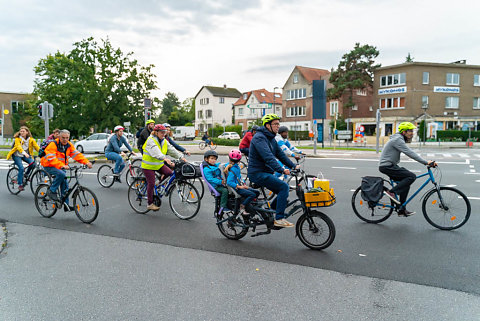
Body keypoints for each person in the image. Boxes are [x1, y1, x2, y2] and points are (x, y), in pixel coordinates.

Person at [248, 114, 298, 228]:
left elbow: (280, 155)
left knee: (283, 192)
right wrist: (281, 169)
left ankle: (269, 214)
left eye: (278, 124)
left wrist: (293, 166)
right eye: (275, 124)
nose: (278, 127)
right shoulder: (259, 138)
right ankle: (279, 218)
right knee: (283, 187)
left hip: (265, 172)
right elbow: (268, 157)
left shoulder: (271, 138)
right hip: (257, 173)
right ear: (267, 125)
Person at [379, 122, 436, 217]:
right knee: (411, 176)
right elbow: (410, 153)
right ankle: (391, 192)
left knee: (406, 184)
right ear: (404, 132)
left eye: (412, 131)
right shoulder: (397, 140)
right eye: (410, 131)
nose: (412, 133)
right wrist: (426, 162)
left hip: (391, 165)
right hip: (387, 166)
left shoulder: (399, 139)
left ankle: (401, 209)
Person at [41, 129, 92, 210]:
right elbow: (51, 158)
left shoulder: (69, 145)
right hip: (49, 165)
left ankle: (66, 205)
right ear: (59, 137)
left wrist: (86, 162)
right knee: (61, 174)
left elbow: (77, 155)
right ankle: (51, 191)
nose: (65, 140)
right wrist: (62, 165)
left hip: (60, 167)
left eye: (67, 138)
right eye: (63, 138)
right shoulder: (53, 144)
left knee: (65, 184)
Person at [141, 124, 185, 211]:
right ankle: (150, 203)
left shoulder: (164, 141)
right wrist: (165, 158)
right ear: (156, 132)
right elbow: (156, 152)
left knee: (170, 173)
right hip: (148, 166)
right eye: (161, 132)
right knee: (151, 183)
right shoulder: (151, 140)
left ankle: (159, 185)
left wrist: (180, 156)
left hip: (158, 164)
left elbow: (171, 149)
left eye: (164, 132)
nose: (163, 134)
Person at [224, 149, 259, 223]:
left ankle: (248, 204)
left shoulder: (235, 167)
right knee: (252, 194)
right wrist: (240, 186)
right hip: (236, 189)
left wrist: (243, 184)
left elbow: (239, 177)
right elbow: (229, 182)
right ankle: (242, 206)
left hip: (240, 186)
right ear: (239, 160)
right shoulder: (233, 168)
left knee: (257, 192)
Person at [6, 126, 40, 191]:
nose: (21, 133)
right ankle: (20, 184)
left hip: (25, 155)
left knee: (33, 164)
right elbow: (19, 147)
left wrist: (43, 153)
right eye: (21, 131)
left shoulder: (31, 139)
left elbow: (37, 147)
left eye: (23, 131)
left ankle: (26, 175)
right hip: (17, 155)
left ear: (27, 132)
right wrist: (24, 153)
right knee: (21, 168)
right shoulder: (17, 139)